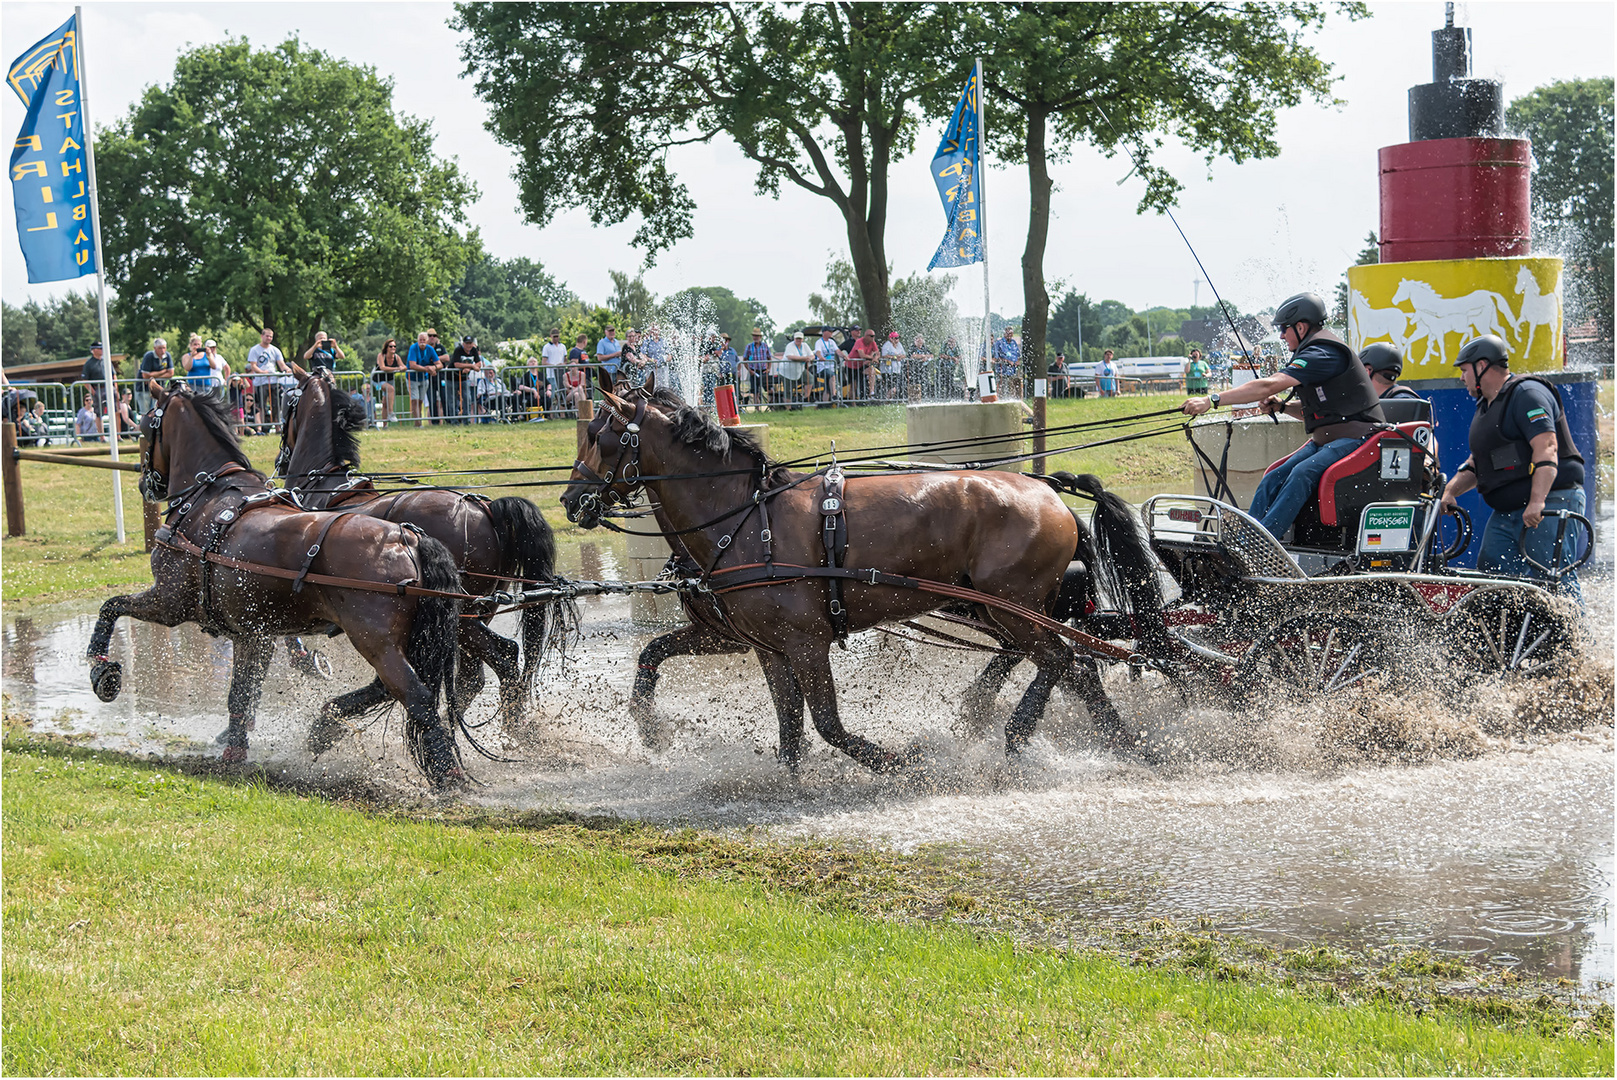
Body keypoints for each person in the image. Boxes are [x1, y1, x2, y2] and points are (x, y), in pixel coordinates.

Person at [1180, 291, 1387, 543]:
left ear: (1301, 327)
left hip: (1359, 440)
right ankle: (1246, 541)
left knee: (1302, 472)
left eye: (1283, 329)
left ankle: (1261, 547)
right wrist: (1281, 407)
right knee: (1274, 476)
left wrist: (1212, 400)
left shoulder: (1323, 353)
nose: (1280, 335)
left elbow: (1268, 385)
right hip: (1328, 440)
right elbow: (1321, 414)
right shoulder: (1313, 351)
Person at [1440, 334, 1587, 599]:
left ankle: (1573, 639)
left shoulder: (1527, 394)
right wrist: (1450, 492)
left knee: (1552, 580)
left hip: (1549, 501)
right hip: (1508, 510)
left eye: (1464, 371)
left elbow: (1547, 448)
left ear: (1482, 366)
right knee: (1492, 577)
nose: (1462, 378)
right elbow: (1478, 462)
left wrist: (1536, 501)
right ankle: (1511, 637)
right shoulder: (1485, 405)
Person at [244, 328, 285, 431]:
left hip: (274, 380)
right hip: (260, 381)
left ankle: (277, 426)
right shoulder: (254, 350)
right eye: (267, 336)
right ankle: (261, 427)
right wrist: (262, 372)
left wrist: (288, 370)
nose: (269, 338)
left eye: (271, 336)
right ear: (262, 336)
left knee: (276, 404)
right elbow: (253, 365)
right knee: (261, 405)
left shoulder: (275, 350)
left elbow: (281, 364)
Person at [405, 331, 438, 427]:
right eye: (420, 340)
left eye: (424, 340)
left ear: (427, 340)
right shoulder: (413, 348)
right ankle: (418, 423)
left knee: (420, 400)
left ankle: (418, 422)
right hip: (412, 378)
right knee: (414, 400)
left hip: (424, 378)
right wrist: (427, 369)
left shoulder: (430, 349)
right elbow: (412, 365)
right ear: (417, 340)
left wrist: (433, 368)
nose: (422, 341)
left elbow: (439, 363)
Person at [136, 338, 174, 416]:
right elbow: (145, 375)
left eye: (164, 348)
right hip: (144, 389)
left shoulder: (167, 356)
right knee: (145, 414)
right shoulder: (148, 356)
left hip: (159, 389)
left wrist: (152, 376)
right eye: (160, 348)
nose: (162, 350)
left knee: (158, 411)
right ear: (155, 348)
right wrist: (163, 371)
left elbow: (171, 373)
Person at [372, 338, 405, 426]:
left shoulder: (397, 357)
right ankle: (391, 413)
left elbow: (404, 366)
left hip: (389, 380)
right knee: (391, 389)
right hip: (378, 380)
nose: (393, 348)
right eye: (391, 346)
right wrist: (397, 369)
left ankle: (385, 425)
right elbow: (383, 368)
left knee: (385, 402)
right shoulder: (381, 355)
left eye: (394, 346)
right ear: (386, 348)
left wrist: (402, 368)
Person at [451, 335, 483, 423]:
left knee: (468, 398)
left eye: (470, 343)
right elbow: (456, 364)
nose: (469, 345)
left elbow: (479, 363)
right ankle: (454, 421)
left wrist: (469, 368)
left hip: (464, 378)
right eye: (467, 343)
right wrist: (471, 366)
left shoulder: (474, 350)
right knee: (453, 400)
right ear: (463, 344)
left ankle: (467, 420)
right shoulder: (458, 350)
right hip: (452, 377)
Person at [779, 330, 812, 407]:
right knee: (788, 391)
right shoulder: (790, 346)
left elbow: (812, 355)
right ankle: (788, 408)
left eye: (800, 338)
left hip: (799, 370)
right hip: (787, 372)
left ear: (802, 339)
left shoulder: (805, 346)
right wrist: (804, 358)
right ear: (794, 339)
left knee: (810, 379)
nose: (798, 340)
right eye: (797, 338)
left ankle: (806, 398)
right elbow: (790, 357)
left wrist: (809, 358)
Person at [741, 327, 772, 407]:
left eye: (757, 336)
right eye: (754, 335)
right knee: (755, 391)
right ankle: (757, 409)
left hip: (764, 371)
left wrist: (768, 369)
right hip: (753, 372)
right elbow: (744, 360)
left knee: (769, 389)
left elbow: (769, 358)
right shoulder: (749, 346)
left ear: (760, 337)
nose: (756, 337)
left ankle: (772, 406)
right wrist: (749, 370)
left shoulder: (765, 346)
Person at [812, 328, 842, 405]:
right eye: (830, 331)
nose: (831, 333)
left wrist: (845, 357)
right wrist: (820, 357)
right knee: (832, 376)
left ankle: (824, 404)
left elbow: (837, 351)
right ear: (824, 332)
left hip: (831, 367)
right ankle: (834, 395)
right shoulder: (819, 342)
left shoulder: (832, 342)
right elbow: (817, 351)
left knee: (827, 387)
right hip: (822, 367)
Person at [847, 328, 880, 400]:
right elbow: (862, 355)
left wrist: (876, 357)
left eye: (874, 336)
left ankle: (872, 393)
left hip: (862, 365)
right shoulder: (859, 342)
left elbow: (878, 353)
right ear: (866, 336)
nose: (873, 338)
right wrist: (872, 358)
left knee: (872, 371)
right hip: (852, 366)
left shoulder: (873, 342)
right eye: (871, 336)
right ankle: (853, 403)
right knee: (853, 385)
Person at [540, 328, 568, 409]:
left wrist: (562, 364)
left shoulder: (563, 346)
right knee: (551, 394)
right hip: (551, 374)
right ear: (550, 336)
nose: (556, 338)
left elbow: (565, 360)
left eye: (557, 336)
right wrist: (554, 365)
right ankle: (551, 413)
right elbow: (544, 362)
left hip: (561, 373)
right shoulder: (547, 347)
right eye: (554, 337)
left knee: (561, 393)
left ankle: (562, 413)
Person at [992, 326, 1021, 398]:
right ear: (1004, 334)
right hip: (1002, 371)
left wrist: (1017, 362)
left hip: (1013, 370)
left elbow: (1018, 355)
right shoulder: (999, 343)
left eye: (1011, 334)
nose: (1009, 335)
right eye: (1008, 334)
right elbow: (997, 358)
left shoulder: (1014, 343)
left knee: (1013, 388)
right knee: (1003, 388)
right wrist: (1007, 361)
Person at [880, 331, 906, 400]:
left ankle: (887, 401)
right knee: (892, 388)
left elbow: (904, 355)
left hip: (897, 370)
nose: (897, 340)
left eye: (898, 338)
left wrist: (900, 357)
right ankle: (886, 401)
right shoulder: (887, 345)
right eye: (896, 338)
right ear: (891, 339)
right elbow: (884, 356)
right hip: (887, 370)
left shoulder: (899, 345)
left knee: (894, 388)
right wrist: (895, 357)